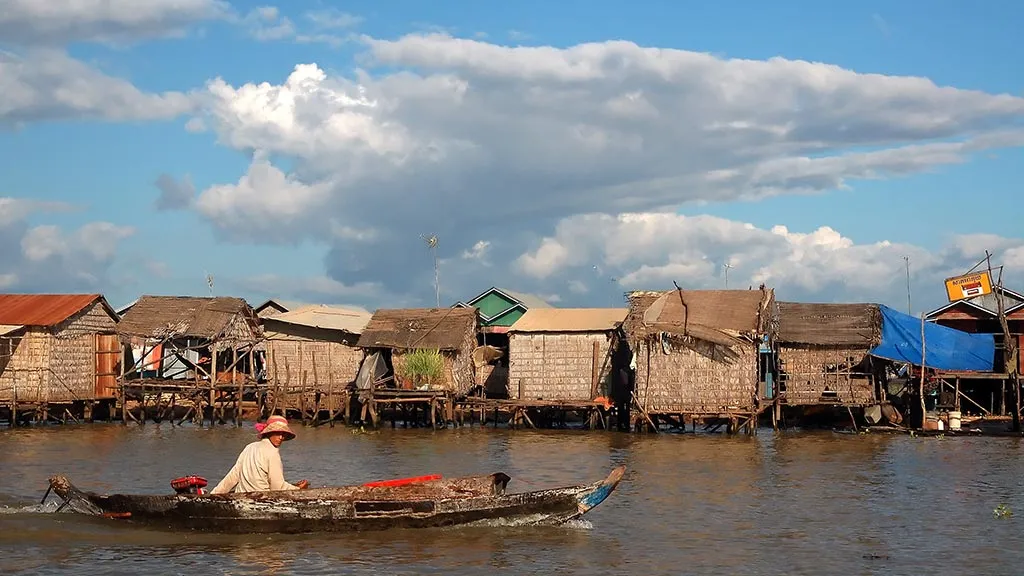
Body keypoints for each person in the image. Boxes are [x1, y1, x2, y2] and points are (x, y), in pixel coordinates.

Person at [209, 415, 309, 494]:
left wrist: (214, 494)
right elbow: (277, 487)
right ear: (270, 432)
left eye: (283, 434)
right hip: (262, 498)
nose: (281, 437)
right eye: (278, 433)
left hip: (242, 497)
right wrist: (298, 489)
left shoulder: (249, 447)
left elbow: (233, 476)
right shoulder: (272, 453)